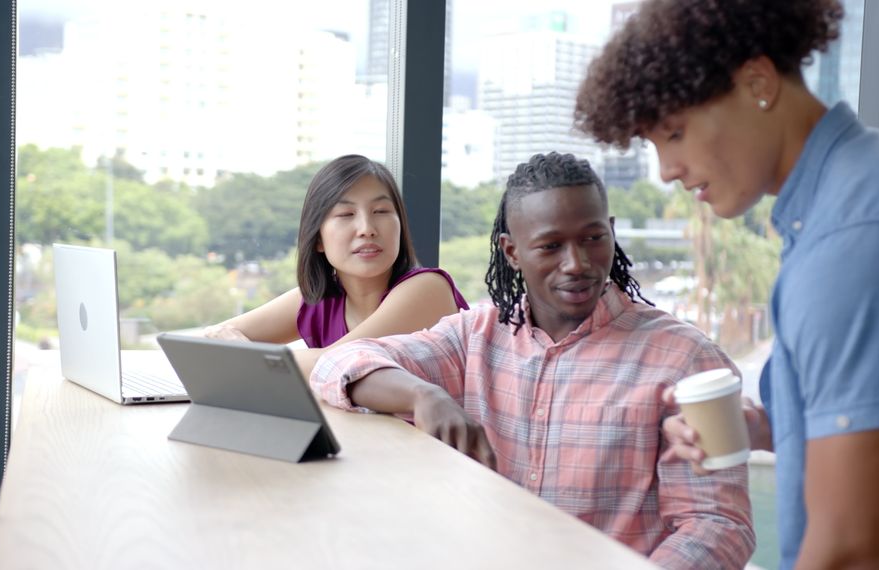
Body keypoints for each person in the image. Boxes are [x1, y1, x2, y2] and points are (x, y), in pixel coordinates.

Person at [573, 1, 879, 568]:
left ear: (758, 82)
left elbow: (853, 551)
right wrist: (752, 426)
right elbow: (869, 423)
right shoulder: (856, 196)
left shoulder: (855, 239)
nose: (666, 170)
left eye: (675, 133)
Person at [310, 152, 754, 569]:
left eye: (593, 238)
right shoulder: (475, 335)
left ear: (611, 231)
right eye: (550, 246)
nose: (576, 263)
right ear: (512, 252)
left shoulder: (686, 359)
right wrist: (424, 395)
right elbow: (339, 364)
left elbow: (717, 525)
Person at [199, 154, 469, 376]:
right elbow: (211, 343)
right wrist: (242, 353)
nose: (367, 228)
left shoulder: (427, 289)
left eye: (381, 212)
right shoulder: (317, 301)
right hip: (363, 439)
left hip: (435, 443)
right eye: (346, 214)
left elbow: (339, 362)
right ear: (318, 239)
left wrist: (244, 357)